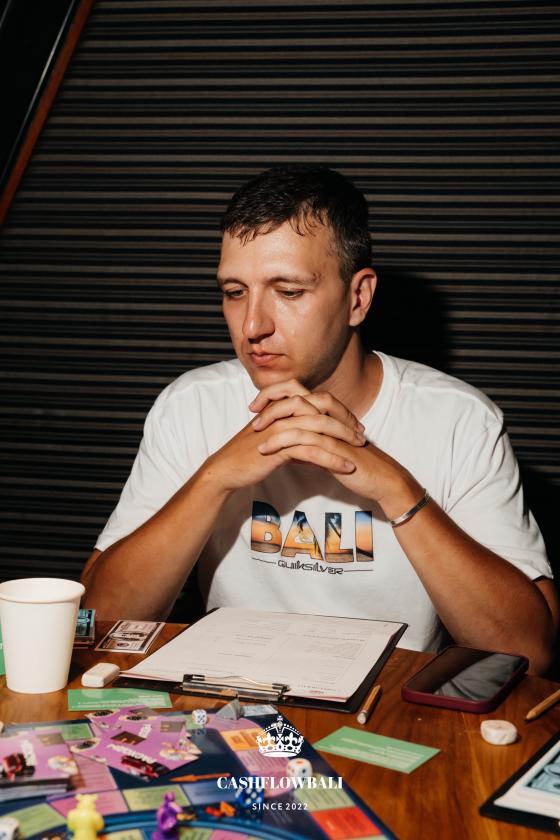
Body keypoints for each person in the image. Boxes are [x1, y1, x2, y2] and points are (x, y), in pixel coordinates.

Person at [82, 165, 558, 674]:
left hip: (388, 708)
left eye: (288, 292)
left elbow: (530, 653)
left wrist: (396, 489)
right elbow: (96, 621)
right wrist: (215, 479)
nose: (252, 326)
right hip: (232, 703)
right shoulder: (191, 405)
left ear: (358, 298)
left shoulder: (458, 419)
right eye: (235, 292)